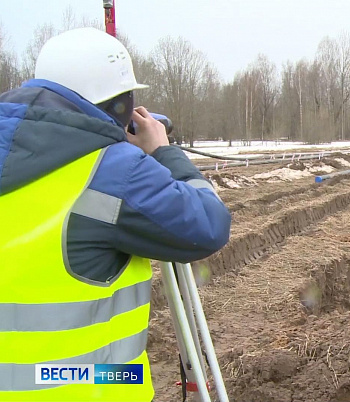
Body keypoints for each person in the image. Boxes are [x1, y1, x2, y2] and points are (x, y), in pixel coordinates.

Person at [0, 28, 231, 401]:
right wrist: (163, 153)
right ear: (119, 103)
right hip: (81, 385)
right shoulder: (112, 170)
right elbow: (208, 224)